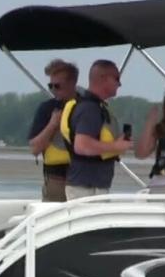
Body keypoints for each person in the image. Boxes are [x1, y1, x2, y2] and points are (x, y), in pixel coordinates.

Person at [59, 60, 134, 200]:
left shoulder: (95, 107)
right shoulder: (90, 109)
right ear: (103, 78)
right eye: (116, 78)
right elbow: (82, 146)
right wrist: (116, 146)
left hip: (89, 185)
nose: (119, 84)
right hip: (86, 188)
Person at [27, 59, 79, 202]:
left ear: (72, 83)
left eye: (57, 86)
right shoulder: (47, 109)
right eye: (51, 86)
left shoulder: (86, 107)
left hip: (83, 180)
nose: (54, 90)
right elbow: (35, 149)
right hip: (56, 180)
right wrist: (52, 124)